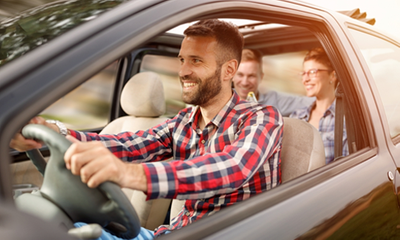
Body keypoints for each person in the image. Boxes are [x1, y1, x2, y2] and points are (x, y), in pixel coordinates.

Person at [10, 19, 284, 240]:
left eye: (196, 61)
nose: (183, 71)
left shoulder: (262, 117)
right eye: (181, 60)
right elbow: (128, 145)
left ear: (228, 70)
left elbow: (231, 169)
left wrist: (128, 174)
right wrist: (53, 130)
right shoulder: (184, 120)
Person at [290, 47, 348, 164]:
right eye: (303, 73)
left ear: (332, 76)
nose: (305, 79)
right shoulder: (297, 117)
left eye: (312, 72)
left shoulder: (346, 119)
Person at [232, 48, 314, 116]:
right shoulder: (222, 101)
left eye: (251, 76)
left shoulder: (274, 100)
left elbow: (312, 101)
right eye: (240, 75)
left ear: (261, 77)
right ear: (232, 75)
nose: (245, 82)